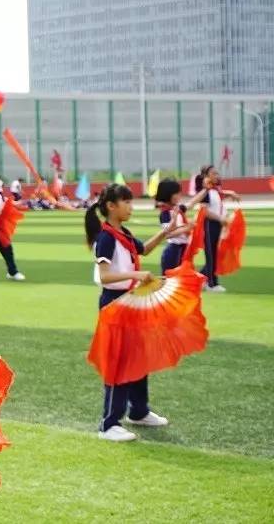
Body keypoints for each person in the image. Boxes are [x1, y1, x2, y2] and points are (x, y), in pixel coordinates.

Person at [85, 183, 177, 442]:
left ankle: (138, 410)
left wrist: (165, 233)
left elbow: (142, 250)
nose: (130, 206)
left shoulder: (121, 232)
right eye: (126, 202)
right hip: (115, 302)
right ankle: (109, 423)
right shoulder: (105, 238)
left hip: (130, 300)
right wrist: (136, 274)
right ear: (111, 207)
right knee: (119, 362)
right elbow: (104, 276)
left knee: (138, 356)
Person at [195, 164, 240, 292]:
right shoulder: (204, 191)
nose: (217, 176)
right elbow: (204, 212)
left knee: (215, 253)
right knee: (211, 254)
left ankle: (201, 279)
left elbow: (219, 195)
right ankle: (212, 284)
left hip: (217, 224)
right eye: (213, 174)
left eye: (217, 173)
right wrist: (221, 219)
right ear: (206, 176)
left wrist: (230, 193)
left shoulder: (215, 189)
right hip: (209, 225)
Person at [155, 179, 206, 273]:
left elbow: (191, 203)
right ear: (168, 194)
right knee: (170, 280)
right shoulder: (165, 213)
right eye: (177, 193)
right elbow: (168, 234)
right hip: (173, 250)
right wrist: (186, 228)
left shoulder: (177, 209)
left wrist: (206, 189)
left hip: (183, 248)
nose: (180, 196)